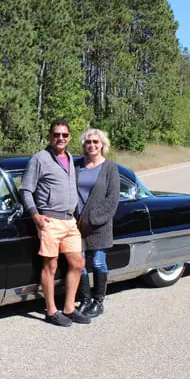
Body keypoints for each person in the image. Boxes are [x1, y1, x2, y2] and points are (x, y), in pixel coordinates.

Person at [19, 119, 90, 327]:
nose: (61, 138)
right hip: (50, 221)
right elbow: (25, 190)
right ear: (50, 136)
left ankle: (69, 308)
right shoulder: (39, 159)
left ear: (69, 138)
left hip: (69, 221)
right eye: (57, 135)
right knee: (50, 266)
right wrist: (35, 215)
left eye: (65, 135)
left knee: (78, 263)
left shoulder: (69, 158)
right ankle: (51, 311)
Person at [75, 128, 120, 318]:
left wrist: (94, 219)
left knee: (98, 262)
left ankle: (98, 302)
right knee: (80, 264)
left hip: (99, 225)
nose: (92, 145)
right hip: (77, 225)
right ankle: (85, 300)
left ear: (102, 144)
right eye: (88, 142)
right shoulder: (78, 166)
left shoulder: (110, 168)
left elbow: (113, 199)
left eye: (95, 142)